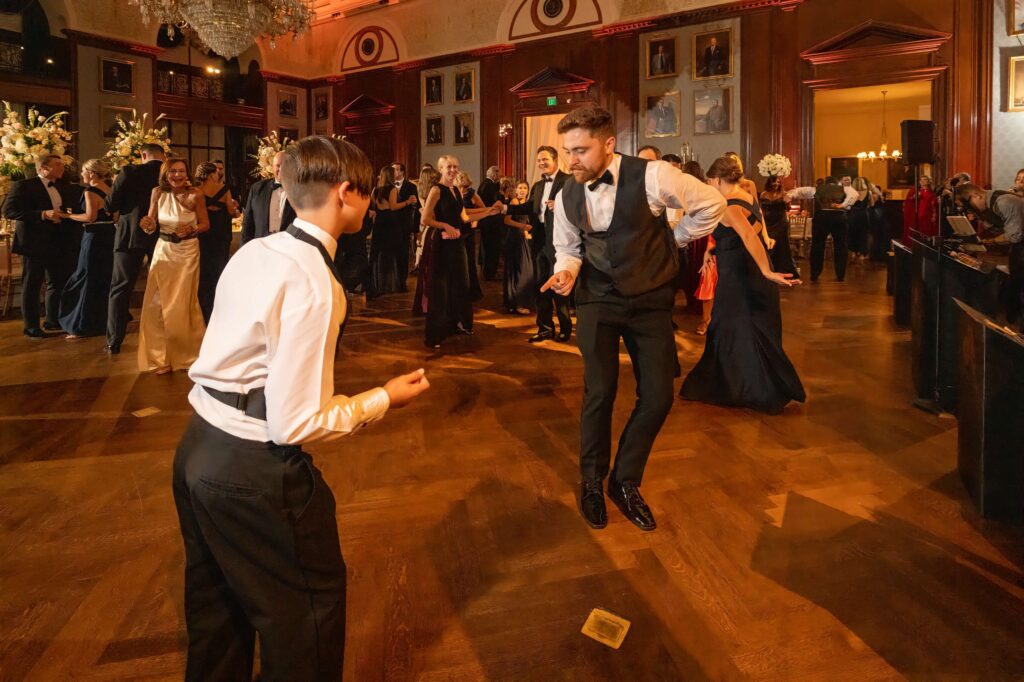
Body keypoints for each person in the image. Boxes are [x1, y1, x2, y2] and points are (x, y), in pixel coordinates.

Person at [174, 135, 430, 682]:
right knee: (306, 621)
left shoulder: (254, 250)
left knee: (216, 616)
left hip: (197, 450)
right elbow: (294, 422)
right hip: (253, 471)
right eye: (368, 192)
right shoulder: (315, 281)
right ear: (346, 194)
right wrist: (384, 397)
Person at [542, 106, 726, 531]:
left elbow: (712, 203)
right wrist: (565, 273)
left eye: (581, 150)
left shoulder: (654, 175)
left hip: (648, 300)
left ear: (608, 144)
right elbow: (567, 248)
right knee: (599, 392)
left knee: (659, 395)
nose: (572, 160)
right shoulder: (569, 191)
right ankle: (592, 481)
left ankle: (624, 480)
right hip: (597, 300)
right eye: (568, 150)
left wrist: (673, 239)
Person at [680, 155, 805, 413]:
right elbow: (743, 236)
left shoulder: (728, 205)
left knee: (731, 329)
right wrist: (711, 252)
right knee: (741, 329)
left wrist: (767, 271)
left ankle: (746, 388)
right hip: (744, 273)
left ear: (715, 179)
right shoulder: (747, 193)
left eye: (709, 181)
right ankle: (750, 385)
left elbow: (749, 236)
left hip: (740, 277)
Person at [137, 158, 209, 374]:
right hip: (163, 251)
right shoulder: (157, 192)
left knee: (182, 302)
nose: (177, 175)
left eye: (180, 171)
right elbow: (151, 220)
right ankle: (161, 357)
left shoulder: (196, 194)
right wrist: (147, 224)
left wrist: (191, 229)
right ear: (165, 174)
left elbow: (205, 224)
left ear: (187, 173)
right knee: (156, 303)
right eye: (172, 172)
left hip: (187, 253)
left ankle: (187, 355)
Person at [418, 155, 497, 349]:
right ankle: (435, 334)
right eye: (449, 167)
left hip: (457, 243)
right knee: (441, 288)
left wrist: (488, 211)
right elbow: (426, 219)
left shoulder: (455, 190)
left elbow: (463, 217)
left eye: (455, 167)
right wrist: (444, 225)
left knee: (461, 284)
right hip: (442, 244)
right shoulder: (436, 190)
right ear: (441, 169)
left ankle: (457, 324)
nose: (453, 170)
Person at [2, 154, 77, 337]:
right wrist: (43, 214)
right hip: (33, 243)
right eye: (57, 165)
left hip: (58, 240)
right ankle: (31, 326)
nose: (62, 168)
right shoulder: (24, 186)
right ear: (43, 167)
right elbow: (9, 211)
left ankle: (53, 320)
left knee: (57, 282)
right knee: (32, 284)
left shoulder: (61, 185)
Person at [106, 143, 165, 354]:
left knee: (120, 287)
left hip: (129, 235)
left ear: (143, 155)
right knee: (163, 287)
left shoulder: (128, 171)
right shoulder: (169, 172)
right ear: (163, 156)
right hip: (161, 235)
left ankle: (114, 340)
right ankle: (163, 337)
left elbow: (111, 205)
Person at [59, 158, 117, 338]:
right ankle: (103, 321)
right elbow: (116, 216)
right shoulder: (109, 189)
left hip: (94, 237)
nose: (82, 175)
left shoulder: (90, 191)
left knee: (86, 276)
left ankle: (82, 324)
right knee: (103, 277)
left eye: (84, 171)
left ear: (92, 173)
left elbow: (90, 217)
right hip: (109, 236)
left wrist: (68, 216)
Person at [955, 182, 1024, 327]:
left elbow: (1015, 236)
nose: (969, 209)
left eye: (969, 205)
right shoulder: (989, 206)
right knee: (1016, 282)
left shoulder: (1004, 202)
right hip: (1019, 246)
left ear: (976, 195)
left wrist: (989, 241)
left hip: (1019, 243)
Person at [524, 146, 573, 343]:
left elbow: (579, 206)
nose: (542, 163)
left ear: (555, 160)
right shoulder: (536, 185)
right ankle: (544, 328)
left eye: (545, 159)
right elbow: (529, 207)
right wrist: (503, 208)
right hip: (539, 241)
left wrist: (560, 206)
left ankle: (565, 327)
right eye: (539, 160)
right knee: (540, 286)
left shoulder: (569, 181)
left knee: (559, 285)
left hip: (560, 242)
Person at [194, 162, 238, 324]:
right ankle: (219, 310)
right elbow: (231, 211)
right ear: (211, 174)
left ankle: (205, 311)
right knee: (219, 271)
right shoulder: (224, 189)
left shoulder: (196, 190)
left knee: (204, 273)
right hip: (221, 235)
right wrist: (235, 210)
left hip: (204, 235)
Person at [366, 165, 407, 299]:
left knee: (378, 252)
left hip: (379, 222)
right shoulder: (392, 189)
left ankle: (378, 283)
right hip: (390, 221)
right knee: (391, 251)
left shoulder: (375, 190)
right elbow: (394, 207)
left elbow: (372, 205)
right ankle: (391, 284)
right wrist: (407, 202)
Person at [242, 151, 296, 244]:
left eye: (285, 165)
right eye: (278, 165)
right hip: (261, 247)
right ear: (272, 167)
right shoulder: (257, 189)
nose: (281, 169)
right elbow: (247, 224)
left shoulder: (300, 190)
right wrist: (244, 250)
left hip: (289, 248)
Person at [502, 179, 536, 315]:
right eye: (520, 188)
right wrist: (523, 228)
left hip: (522, 237)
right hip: (515, 238)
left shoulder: (525, 203)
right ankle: (518, 304)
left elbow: (526, 221)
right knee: (521, 270)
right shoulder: (514, 202)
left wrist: (527, 232)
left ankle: (519, 302)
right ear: (515, 190)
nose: (522, 190)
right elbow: (507, 220)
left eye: (525, 188)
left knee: (524, 270)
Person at [810, 176, 848, 282]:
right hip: (839, 217)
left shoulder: (819, 188)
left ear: (826, 183)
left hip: (822, 216)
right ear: (836, 182)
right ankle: (840, 274)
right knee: (841, 245)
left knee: (817, 245)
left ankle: (815, 273)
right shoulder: (842, 189)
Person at [759, 175, 799, 277]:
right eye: (774, 182)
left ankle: (783, 270)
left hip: (780, 222)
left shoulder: (784, 194)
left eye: (778, 182)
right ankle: (769, 269)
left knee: (782, 245)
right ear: (769, 183)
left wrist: (787, 202)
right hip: (768, 223)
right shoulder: (764, 194)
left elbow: (788, 209)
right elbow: (761, 209)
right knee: (768, 245)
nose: (776, 184)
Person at [456, 171, 484, 301]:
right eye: (460, 186)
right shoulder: (452, 192)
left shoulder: (471, 194)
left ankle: (471, 291)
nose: (463, 189)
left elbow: (483, 208)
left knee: (470, 261)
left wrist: (475, 221)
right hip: (455, 229)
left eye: (464, 186)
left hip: (467, 230)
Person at [392, 162, 419, 287]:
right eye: (392, 170)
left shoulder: (410, 186)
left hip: (404, 223)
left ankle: (401, 279)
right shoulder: (388, 185)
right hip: (390, 223)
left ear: (402, 172)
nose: (394, 172)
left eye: (396, 170)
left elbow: (415, 204)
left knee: (403, 252)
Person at [477, 165, 504, 280]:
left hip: (484, 221)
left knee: (486, 248)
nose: (500, 176)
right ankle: (490, 273)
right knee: (492, 248)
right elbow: (496, 203)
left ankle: (487, 272)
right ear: (494, 174)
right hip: (491, 222)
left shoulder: (483, 184)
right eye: (499, 174)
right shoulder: (492, 186)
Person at [902, 174, 937, 243]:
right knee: (919, 230)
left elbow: (934, 204)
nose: (922, 181)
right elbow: (909, 201)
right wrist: (914, 197)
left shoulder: (931, 192)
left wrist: (934, 215)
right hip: (918, 214)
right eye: (921, 180)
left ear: (929, 181)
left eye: (925, 180)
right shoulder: (916, 190)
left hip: (927, 214)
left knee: (927, 230)